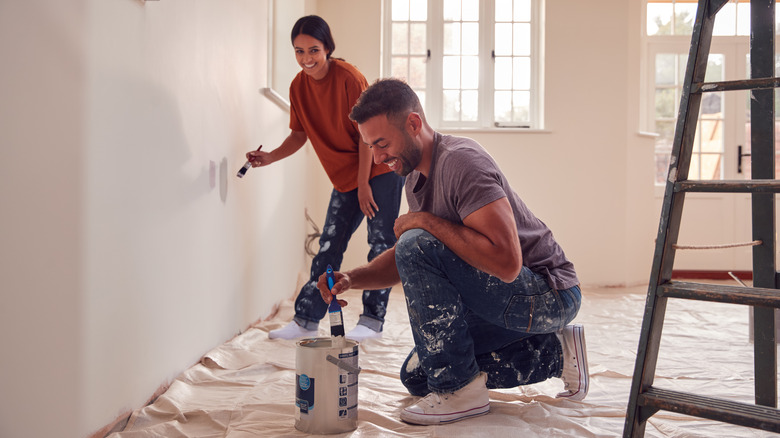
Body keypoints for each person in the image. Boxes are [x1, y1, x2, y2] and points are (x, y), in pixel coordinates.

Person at [318, 78, 588, 425]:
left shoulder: (463, 163)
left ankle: (461, 391)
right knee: (419, 376)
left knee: (445, 366)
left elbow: (506, 264)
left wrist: (423, 222)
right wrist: (351, 279)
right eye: (370, 146)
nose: (378, 157)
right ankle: (558, 353)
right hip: (507, 298)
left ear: (413, 124)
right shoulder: (415, 178)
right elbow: (407, 259)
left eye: (382, 143)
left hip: (549, 294)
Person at [246, 16, 404, 342]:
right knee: (329, 247)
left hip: (381, 168)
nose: (307, 58)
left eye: (314, 50)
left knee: (380, 245)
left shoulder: (350, 78)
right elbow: (299, 134)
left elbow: (366, 136)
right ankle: (305, 319)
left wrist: (364, 184)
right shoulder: (297, 88)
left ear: (327, 48)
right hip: (348, 176)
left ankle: (372, 321)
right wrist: (270, 157)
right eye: (299, 51)